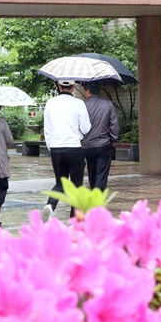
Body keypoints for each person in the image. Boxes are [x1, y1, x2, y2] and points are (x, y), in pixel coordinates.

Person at [41, 79, 91, 222]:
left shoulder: (50, 103)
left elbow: (47, 129)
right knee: (76, 186)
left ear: (58, 85)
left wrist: (52, 147)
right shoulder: (79, 104)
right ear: (74, 87)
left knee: (60, 183)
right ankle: (73, 218)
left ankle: (50, 206)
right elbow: (86, 129)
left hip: (56, 149)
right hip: (75, 149)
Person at [81, 82, 119, 191]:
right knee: (101, 174)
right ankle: (98, 199)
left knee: (92, 172)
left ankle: (94, 195)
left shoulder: (82, 105)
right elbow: (114, 125)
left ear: (88, 91)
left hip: (87, 145)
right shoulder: (108, 104)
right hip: (104, 145)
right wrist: (113, 139)